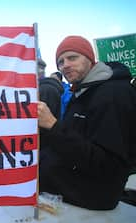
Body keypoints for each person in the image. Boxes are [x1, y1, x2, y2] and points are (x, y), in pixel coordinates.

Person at [38, 35, 136, 210]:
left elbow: (108, 165)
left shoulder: (113, 95)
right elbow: (73, 141)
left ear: (90, 59)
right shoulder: (83, 91)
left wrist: (53, 125)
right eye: (60, 62)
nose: (65, 65)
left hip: (93, 195)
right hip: (72, 178)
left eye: (72, 57)